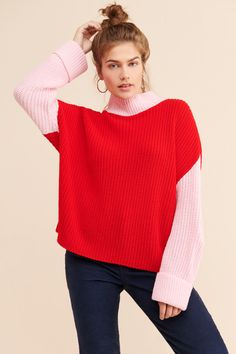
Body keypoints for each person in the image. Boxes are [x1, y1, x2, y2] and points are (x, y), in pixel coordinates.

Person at [13, 2, 229, 353]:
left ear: (144, 65)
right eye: (113, 65)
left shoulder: (174, 114)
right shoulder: (82, 126)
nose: (125, 74)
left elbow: (190, 203)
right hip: (89, 262)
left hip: (154, 262)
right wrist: (74, 50)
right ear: (99, 72)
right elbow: (29, 92)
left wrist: (176, 278)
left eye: (133, 63)